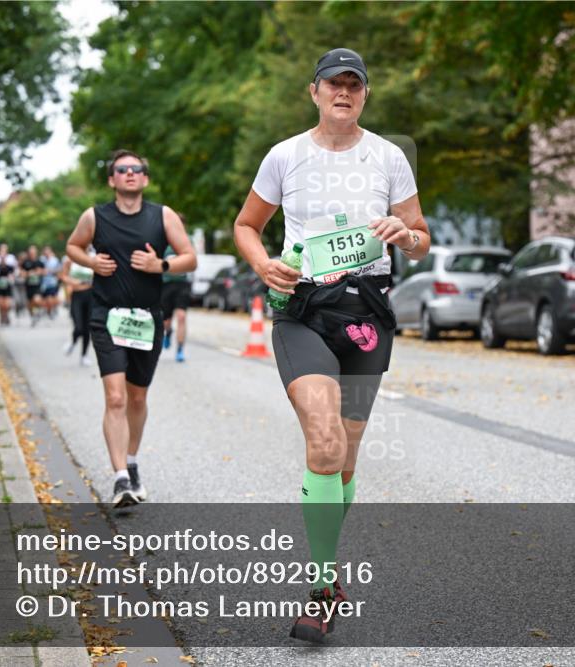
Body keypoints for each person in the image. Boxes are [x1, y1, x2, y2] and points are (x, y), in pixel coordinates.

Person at [233, 48, 430, 643]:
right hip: (304, 312)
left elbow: (421, 237)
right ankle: (323, 586)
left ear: (365, 94)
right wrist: (265, 265)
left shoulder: (389, 157)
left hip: (366, 315)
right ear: (313, 92)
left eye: (354, 84)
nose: (343, 92)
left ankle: (326, 569)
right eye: (333, 83)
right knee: (322, 443)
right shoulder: (285, 156)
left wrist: (407, 234)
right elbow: (247, 225)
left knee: (343, 458)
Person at [66, 149, 197, 508]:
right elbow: (73, 246)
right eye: (121, 170)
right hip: (106, 317)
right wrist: (91, 261)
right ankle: (121, 478)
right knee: (116, 397)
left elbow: (190, 258)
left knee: (137, 397)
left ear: (145, 178)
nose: (129, 174)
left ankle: (133, 461)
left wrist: (161, 264)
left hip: (146, 320)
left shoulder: (163, 215)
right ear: (111, 179)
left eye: (136, 169)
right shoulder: (95, 217)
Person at [160, 224, 193, 362]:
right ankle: (168, 332)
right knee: (166, 320)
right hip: (166, 284)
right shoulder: (163, 241)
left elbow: (193, 261)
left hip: (182, 284)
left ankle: (180, 349)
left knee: (181, 317)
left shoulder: (188, 241)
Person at [61, 247, 95, 366]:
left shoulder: (93, 257)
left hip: (90, 296)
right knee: (79, 325)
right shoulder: (70, 259)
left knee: (88, 328)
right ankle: (73, 340)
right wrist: (73, 282)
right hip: (77, 296)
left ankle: (84, 355)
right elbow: (63, 276)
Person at [21, 245, 46, 325]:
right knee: (30, 303)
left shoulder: (40, 262)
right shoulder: (25, 262)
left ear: (36, 253)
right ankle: (32, 316)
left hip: (37, 285)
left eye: (34, 252)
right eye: (31, 252)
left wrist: (40, 272)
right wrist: (28, 273)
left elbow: (45, 272)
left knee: (37, 300)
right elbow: (22, 273)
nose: (32, 254)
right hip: (28, 285)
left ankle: (38, 311)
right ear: (29, 253)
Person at [41, 246, 63, 319]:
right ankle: (49, 310)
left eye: (48, 251)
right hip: (44, 283)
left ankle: (52, 310)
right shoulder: (41, 260)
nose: (46, 253)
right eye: (45, 252)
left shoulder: (55, 260)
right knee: (46, 299)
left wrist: (50, 271)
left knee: (51, 298)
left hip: (52, 282)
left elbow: (59, 270)